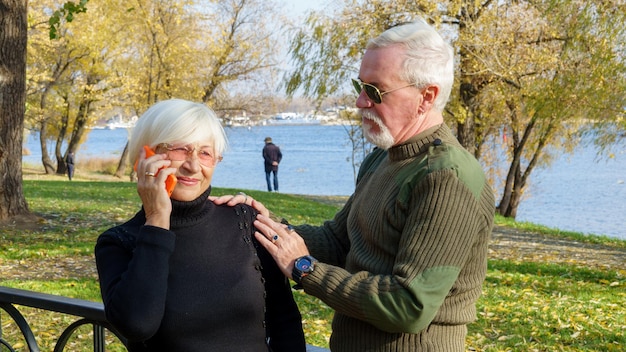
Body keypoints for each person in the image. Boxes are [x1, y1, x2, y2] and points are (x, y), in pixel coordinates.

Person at [216, 18, 495, 351]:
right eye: (359, 86)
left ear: (427, 96)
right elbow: (339, 242)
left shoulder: (445, 177)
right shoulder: (383, 158)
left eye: (375, 90)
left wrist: (304, 269)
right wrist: (270, 228)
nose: (361, 101)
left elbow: (408, 306)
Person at [94, 99, 305, 352]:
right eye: (180, 149)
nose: (193, 166)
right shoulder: (121, 242)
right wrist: (158, 219)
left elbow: (285, 322)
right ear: (145, 154)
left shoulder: (245, 223)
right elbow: (137, 325)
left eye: (205, 153)